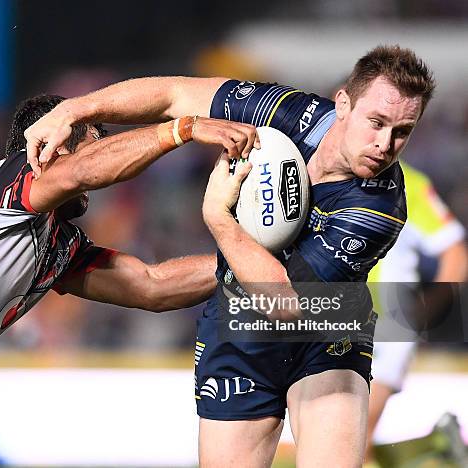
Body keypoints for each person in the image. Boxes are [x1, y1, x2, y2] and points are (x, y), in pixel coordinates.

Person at [24, 45, 435, 467]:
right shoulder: (292, 114)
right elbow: (173, 95)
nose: (385, 144)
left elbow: (286, 305)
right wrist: (74, 111)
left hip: (324, 327)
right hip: (239, 322)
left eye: (402, 131)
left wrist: (219, 218)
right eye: (376, 123)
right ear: (343, 103)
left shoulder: (379, 206)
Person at [0, 94, 258, 467]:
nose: (104, 164)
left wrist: (256, 262)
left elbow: (151, 285)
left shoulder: (56, 243)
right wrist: (182, 129)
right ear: (54, 145)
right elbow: (82, 170)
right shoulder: (13, 179)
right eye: (95, 141)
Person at [365, 162, 467, 467]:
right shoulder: (318, 164)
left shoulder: (409, 182)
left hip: (386, 324)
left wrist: (424, 312)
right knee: (337, 439)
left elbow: (455, 253)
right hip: (329, 312)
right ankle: (433, 443)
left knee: (354, 434)